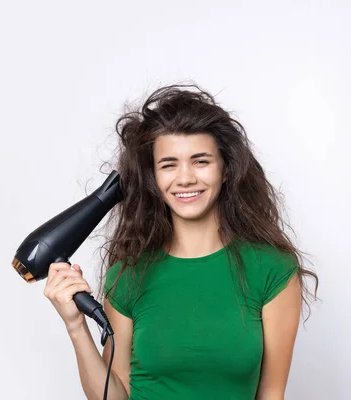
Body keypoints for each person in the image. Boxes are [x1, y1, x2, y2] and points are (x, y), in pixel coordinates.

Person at [43, 83, 319, 400]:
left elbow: (271, 393)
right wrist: (76, 325)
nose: (185, 178)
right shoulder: (130, 273)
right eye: (169, 164)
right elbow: (112, 396)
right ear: (154, 178)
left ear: (225, 169)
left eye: (201, 161)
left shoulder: (271, 270)